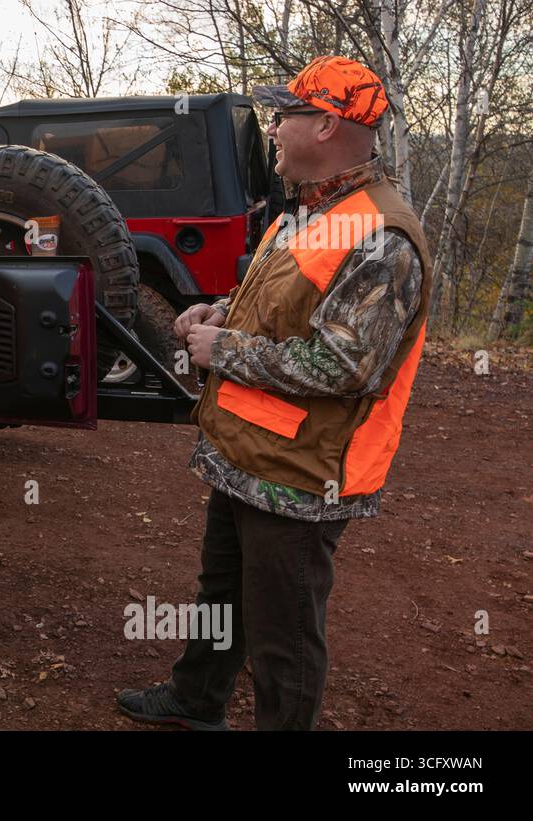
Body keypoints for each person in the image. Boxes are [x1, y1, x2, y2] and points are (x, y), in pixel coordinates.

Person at [117, 56, 432, 730]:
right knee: (221, 594)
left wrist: (222, 350)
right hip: (246, 454)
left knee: (283, 640)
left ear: (324, 124)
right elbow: (279, 298)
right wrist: (220, 311)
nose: (275, 127)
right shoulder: (312, 209)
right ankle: (197, 699)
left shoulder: (383, 236)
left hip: (300, 476)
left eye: (285, 114)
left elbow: (347, 366)